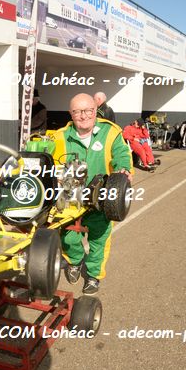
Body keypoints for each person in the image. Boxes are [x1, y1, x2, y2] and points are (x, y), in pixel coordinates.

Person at [53, 93, 132, 295]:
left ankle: (94, 276)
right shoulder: (60, 135)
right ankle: (75, 261)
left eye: (88, 110)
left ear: (95, 110)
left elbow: (122, 154)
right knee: (68, 237)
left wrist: (122, 169)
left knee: (98, 239)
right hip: (71, 197)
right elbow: (50, 160)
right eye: (78, 111)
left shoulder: (111, 131)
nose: (83, 116)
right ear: (71, 114)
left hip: (101, 197)